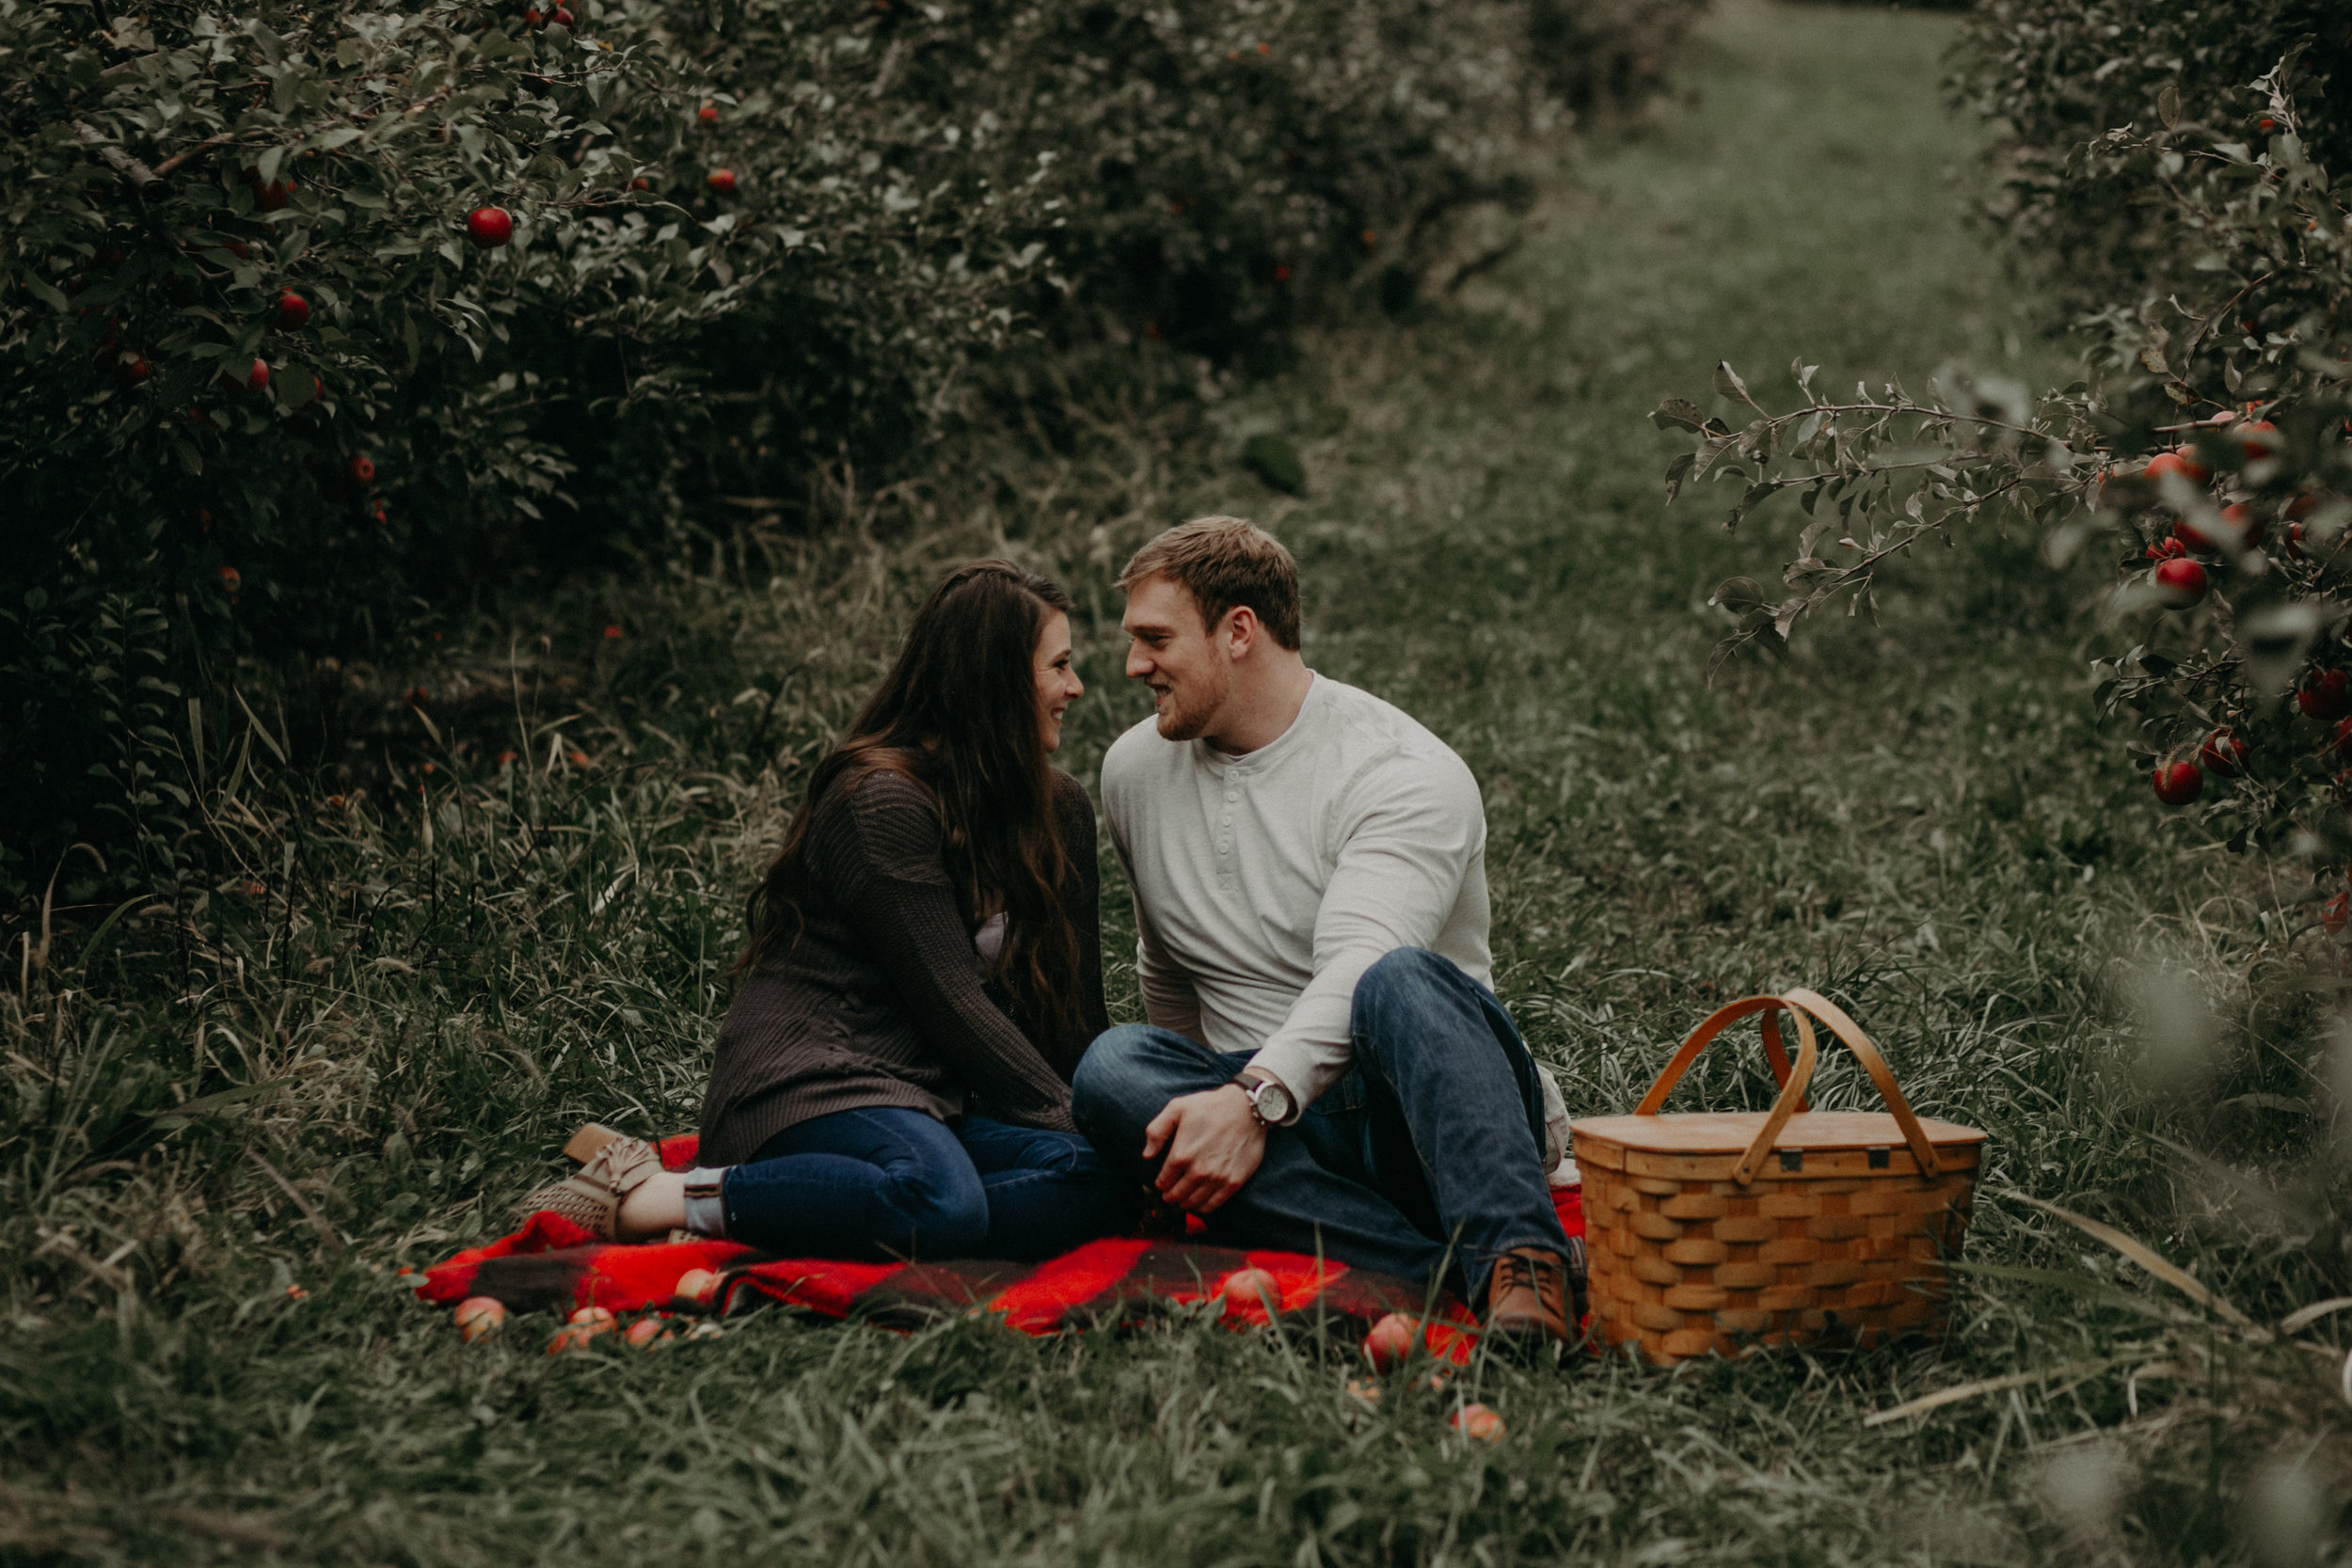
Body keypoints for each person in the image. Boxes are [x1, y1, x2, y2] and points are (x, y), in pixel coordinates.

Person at [522, 562, 1134, 1262]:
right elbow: (952, 1002)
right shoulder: (880, 801)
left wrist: (1110, 1131)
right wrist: (1070, 1118)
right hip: (811, 1081)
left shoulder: (1060, 810)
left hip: (930, 1099)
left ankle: (824, 1208)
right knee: (943, 1199)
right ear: (996, 680)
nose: (1076, 687)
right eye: (1059, 666)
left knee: (1097, 1182)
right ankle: (662, 1197)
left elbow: (1076, 1018)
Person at [1071, 516, 1582, 1346]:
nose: (1132, 666)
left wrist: (1250, 1102)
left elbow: (1360, 968)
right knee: (1113, 1067)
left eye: (1154, 638)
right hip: (1286, 1147)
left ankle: (1523, 1255)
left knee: (1399, 977)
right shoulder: (1134, 769)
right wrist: (1195, 1122)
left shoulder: (1399, 771)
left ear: (1239, 630)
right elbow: (1164, 964)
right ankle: (1443, 1274)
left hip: (1417, 1108)